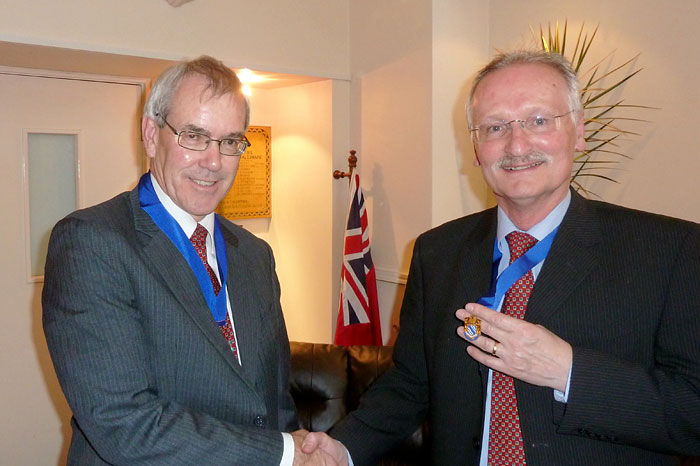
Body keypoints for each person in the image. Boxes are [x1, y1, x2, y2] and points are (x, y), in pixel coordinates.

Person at [302, 50, 700, 465]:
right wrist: (342, 448)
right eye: (495, 127)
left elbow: (693, 411)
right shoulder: (437, 252)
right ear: (476, 147)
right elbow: (411, 382)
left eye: (539, 120)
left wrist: (568, 372)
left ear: (579, 132)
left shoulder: (670, 252)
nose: (517, 145)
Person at [43, 55, 337, 465]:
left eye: (230, 141)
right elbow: (123, 424)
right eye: (194, 136)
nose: (214, 162)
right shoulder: (92, 243)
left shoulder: (255, 255)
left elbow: (272, 404)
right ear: (151, 135)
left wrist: (295, 450)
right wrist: (283, 453)